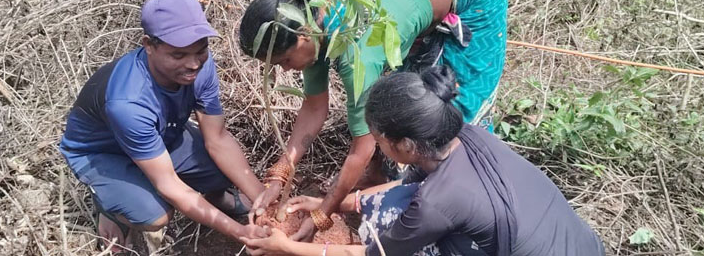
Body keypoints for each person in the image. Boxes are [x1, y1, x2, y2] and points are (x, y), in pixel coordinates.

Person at [239, 0, 508, 239]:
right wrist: (280, 175)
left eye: (284, 61)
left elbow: (362, 147)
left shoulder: (358, 55)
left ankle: (466, 196)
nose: (285, 70)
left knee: (443, 112)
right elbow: (314, 107)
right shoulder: (309, 16)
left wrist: (323, 213)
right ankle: (379, 176)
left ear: (303, 34)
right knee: (400, 90)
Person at [240, 66, 606, 256]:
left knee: (391, 228)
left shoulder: (437, 202)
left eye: (379, 141)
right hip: (580, 244)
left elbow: (372, 254)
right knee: (398, 202)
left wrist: (287, 248)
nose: (377, 149)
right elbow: (405, 186)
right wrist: (330, 204)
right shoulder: (465, 137)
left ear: (405, 145)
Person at [60, 0, 267, 254]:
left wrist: (263, 199)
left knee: (222, 167)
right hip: (103, 153)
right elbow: (168, 185)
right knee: (155, 214)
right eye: (178, 55)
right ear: (148, 45)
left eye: (201, 50)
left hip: (161, 135)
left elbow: (218, 139)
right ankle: (110, 207)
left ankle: (217, 198)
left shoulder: (201, 66)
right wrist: (240, 232)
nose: (193, 64)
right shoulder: (128, 102)